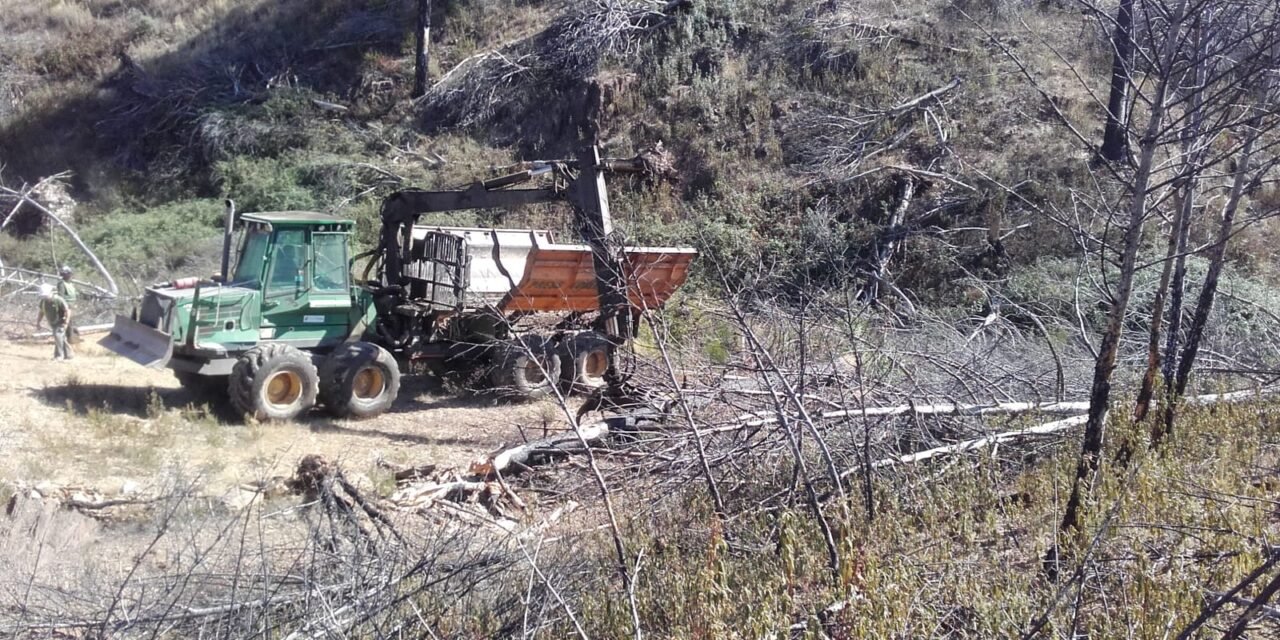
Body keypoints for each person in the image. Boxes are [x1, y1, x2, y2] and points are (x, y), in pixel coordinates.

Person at [35, 283, 73, 361]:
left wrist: (66, 322)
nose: (45, 297)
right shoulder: (43, 302)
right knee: (60, 338)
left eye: (45, 296)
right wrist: (38, 322)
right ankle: (69, 355)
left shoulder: (58, 300)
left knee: (58, 336)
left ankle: (59, 356)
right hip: (52, 323)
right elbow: (41, 312)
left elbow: (67, 310)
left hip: (61, 322)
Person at [57, 265, 80, 344]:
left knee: (72, 323)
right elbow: (61, 297)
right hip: (66, 306)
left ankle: (74, 338)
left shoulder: (70, 283)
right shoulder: (61, 284)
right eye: (68, 274)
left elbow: (73, 295)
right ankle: (70, 340)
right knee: (68, 324)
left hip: (72, 306)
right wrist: (64, 308)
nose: (70, 275)